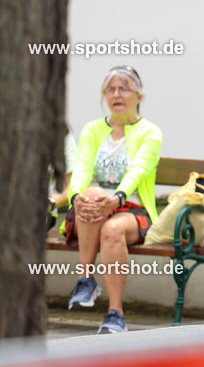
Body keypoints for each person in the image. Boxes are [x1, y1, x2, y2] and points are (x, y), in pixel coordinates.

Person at [64, 65, 162, 334]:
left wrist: (117, 198)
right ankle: (86, 279)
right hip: (92, 211)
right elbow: (82, 167)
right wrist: (75, 196)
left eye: (124, 89)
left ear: (139, 97)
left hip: (132, 211)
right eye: (111, 89)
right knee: (93, 195)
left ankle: (115, 313)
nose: (117, 94)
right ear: (104, 96)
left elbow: (138, 171)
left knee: (112, 229)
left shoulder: (150, 132)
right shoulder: (93, 130)